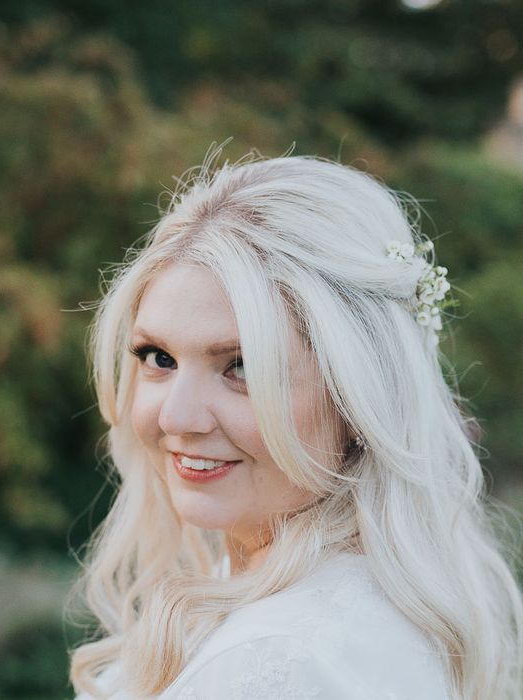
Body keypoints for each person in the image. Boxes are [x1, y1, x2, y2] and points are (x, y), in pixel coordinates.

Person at [68, 154, 523, 699]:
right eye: (158, 358)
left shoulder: (278, 661)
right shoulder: (352, 608)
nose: (176, 416)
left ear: (357, 398)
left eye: (243, 366)